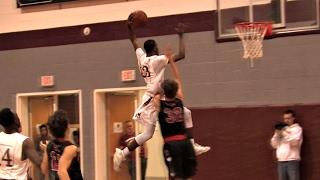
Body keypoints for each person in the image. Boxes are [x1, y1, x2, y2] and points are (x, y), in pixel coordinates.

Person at [113, 14, 210, 171]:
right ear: (155, 49)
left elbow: (134, 41)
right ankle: (191, 145)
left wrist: (129, 27)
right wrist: (181, 36)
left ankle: (122, 153)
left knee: (150, 133)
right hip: (154, 98)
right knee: (184, 113)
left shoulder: (141, 58)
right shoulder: (157, 60)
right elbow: (182, 55)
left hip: (153, 96)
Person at [153, 50, 197, 180]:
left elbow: (155, 91)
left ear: (164, 92)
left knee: (175, 176)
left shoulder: (159, 104)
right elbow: (177, 78)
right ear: (175, 90)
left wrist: (159, 67)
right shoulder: (179, 100)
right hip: (185, 142)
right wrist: (171, 61)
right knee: (188, 175)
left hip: (171, 144)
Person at [0, 107, 42, 180]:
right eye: (17, 116)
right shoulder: (25, 141)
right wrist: (45, 150)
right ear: (15, 121)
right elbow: (39, 163)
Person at [41, 110, 83, 180]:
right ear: (67, 127)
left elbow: (43, 169)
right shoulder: (70, 148)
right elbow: (61, 172)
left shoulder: (49, 145)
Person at [270, 109, 303, 180]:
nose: (286, 120)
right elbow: (274, 145)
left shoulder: (297, 129)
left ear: (293, 118)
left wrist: (285, 134)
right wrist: (277, 135)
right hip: (281, 161)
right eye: (285, 118)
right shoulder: (281, 129)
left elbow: (295, 144)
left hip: (292, 161)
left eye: (288, 118)